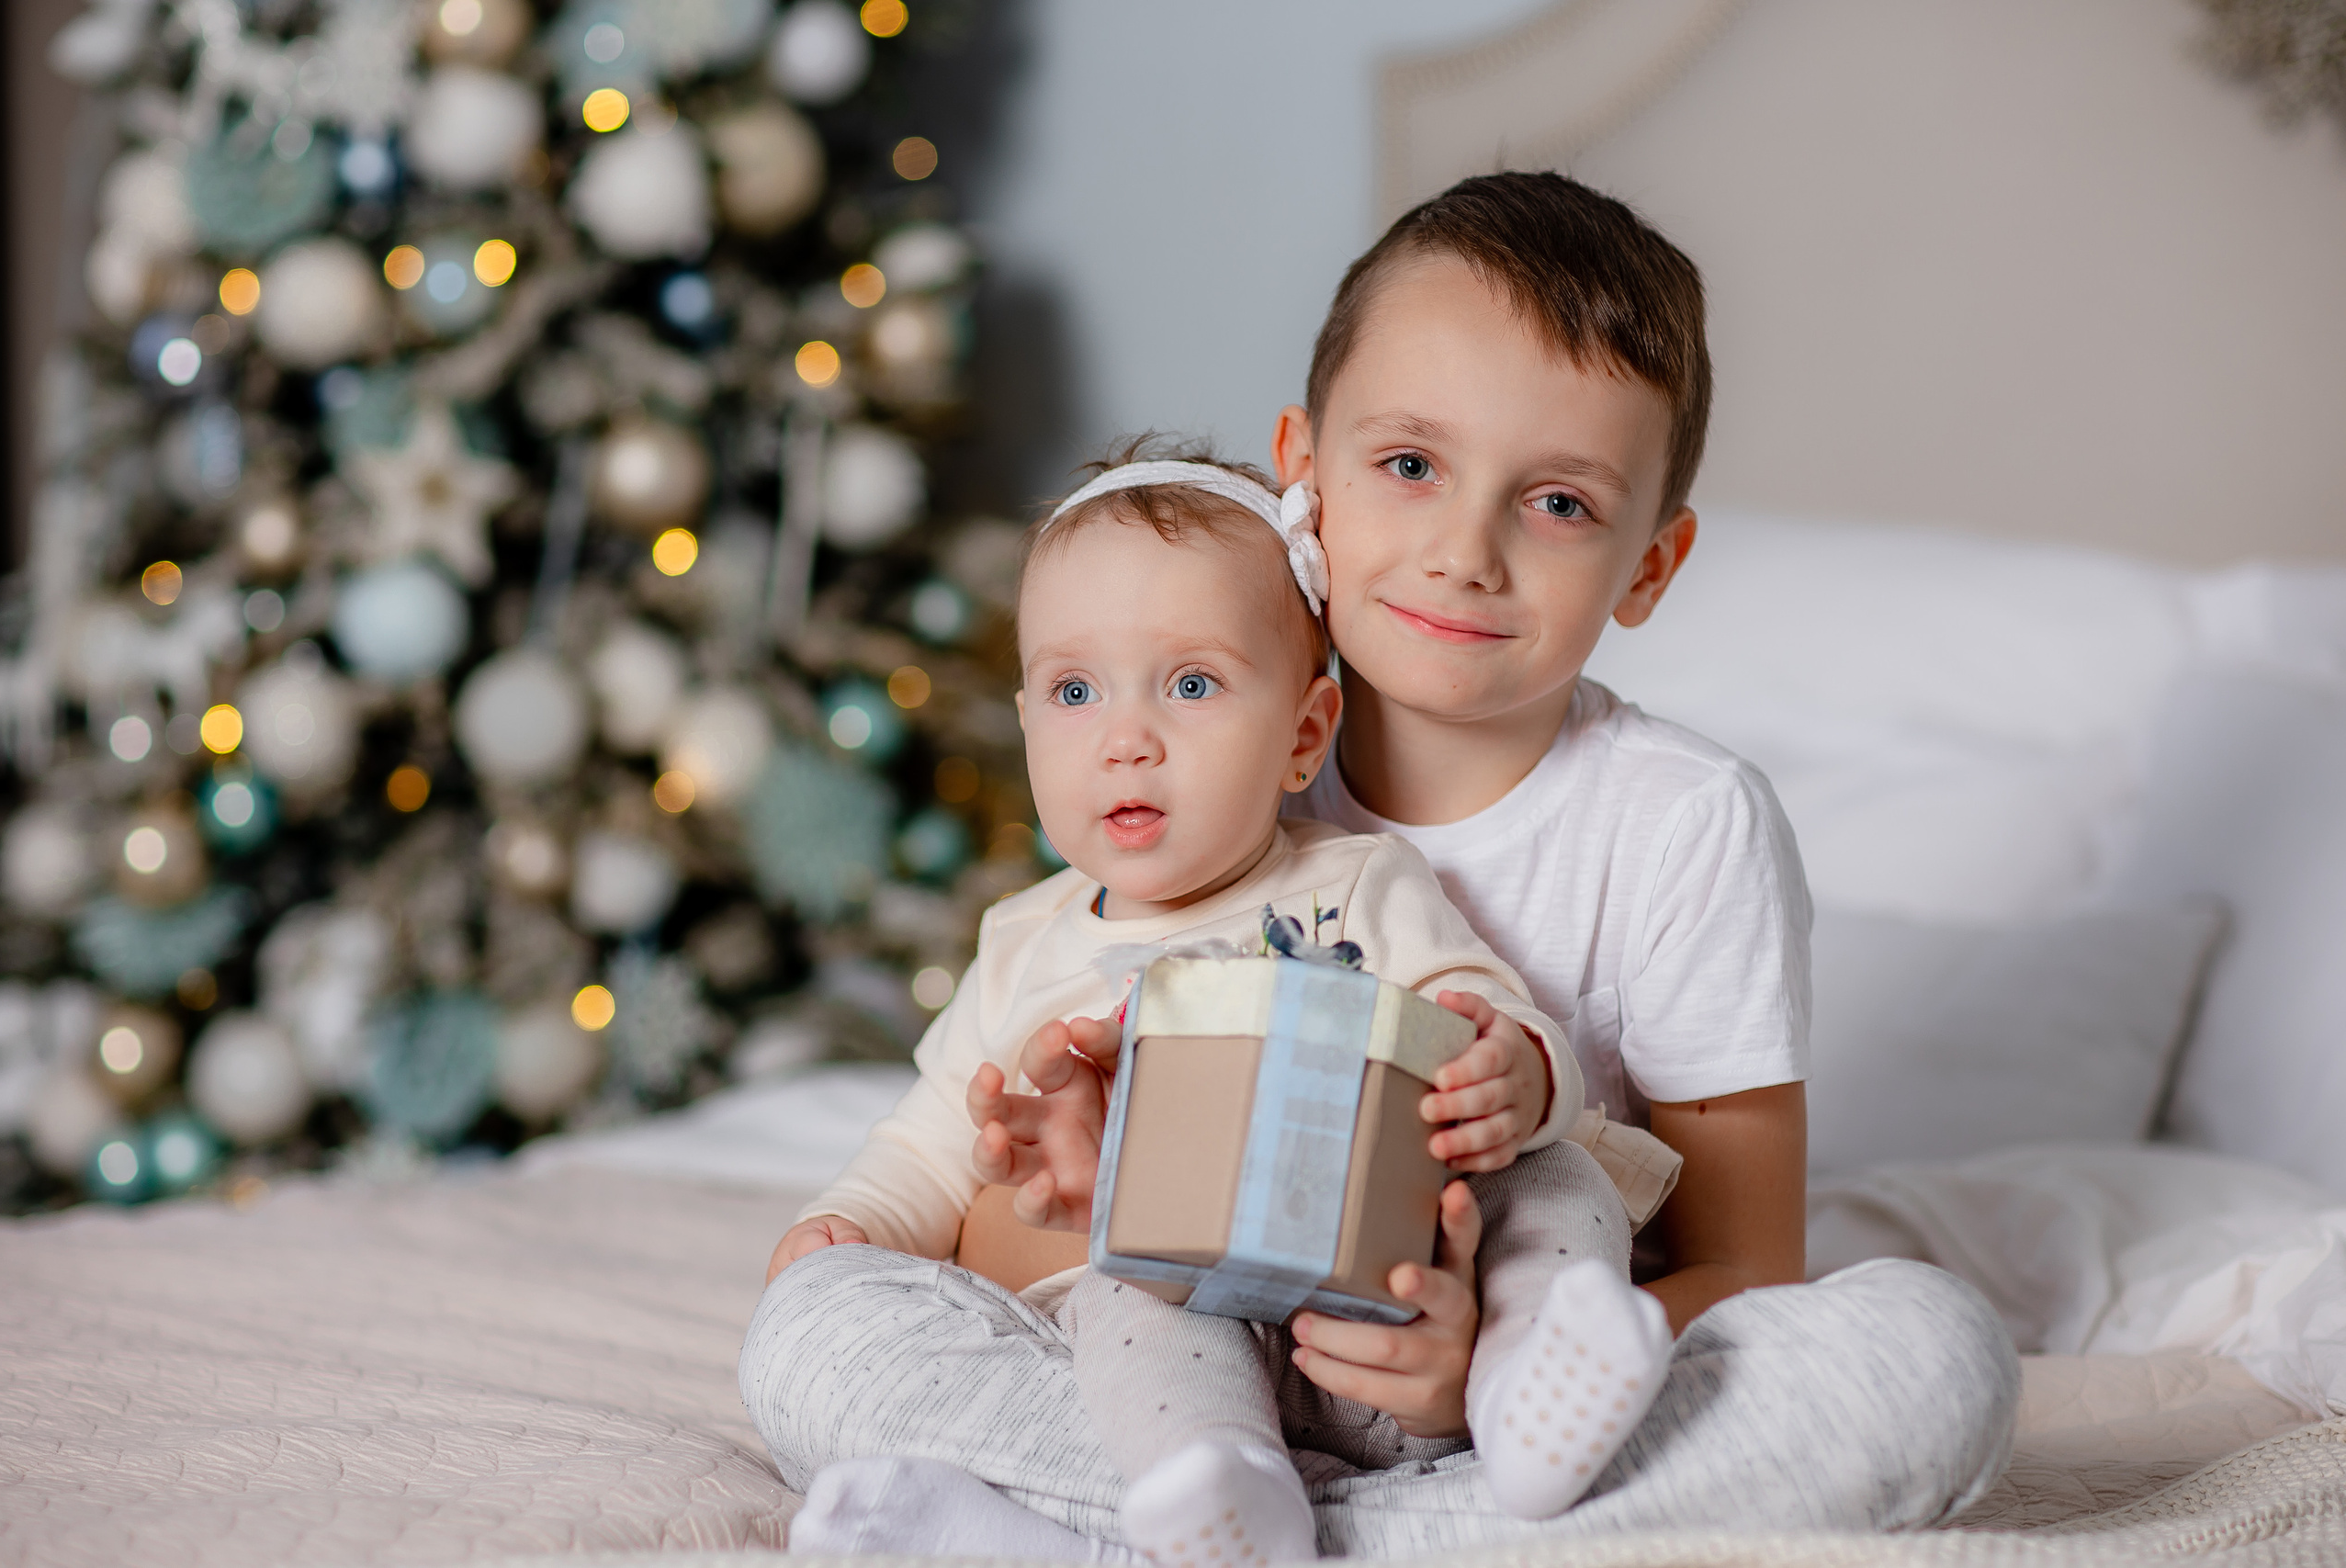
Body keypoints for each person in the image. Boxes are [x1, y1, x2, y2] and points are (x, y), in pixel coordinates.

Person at [742, 172, 2019, 1557]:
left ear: (1649, 565)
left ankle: (1161, 1531)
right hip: (1160, 1370)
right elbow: (983, 1203)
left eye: (1559, 503)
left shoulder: (1682, 823)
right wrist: (1068, 1200)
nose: (1464, 553)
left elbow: (1748, 1269)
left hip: (1514, 1384)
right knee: (814, 1336)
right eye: (1410, 465)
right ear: (1306, 474)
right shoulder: (1188, 740)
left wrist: (1471, 1364)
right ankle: (1275, 1510)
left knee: (1932, 1359)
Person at [754, 448, 1684, 1562]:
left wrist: (1515, 1070)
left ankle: (1538, 1382)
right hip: (1156, 1354)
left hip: (1374, 1321)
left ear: (1303, 733)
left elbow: (1471, 1001)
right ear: (1026, 719)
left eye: (1191, 685)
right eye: (1073, 690)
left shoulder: (1354, 883)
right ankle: (1221, 1488)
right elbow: (934, 1134)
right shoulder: (1023, 946)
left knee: (1555, 1168)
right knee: (1112, 1271)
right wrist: (854, 1227)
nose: (1126, 735)